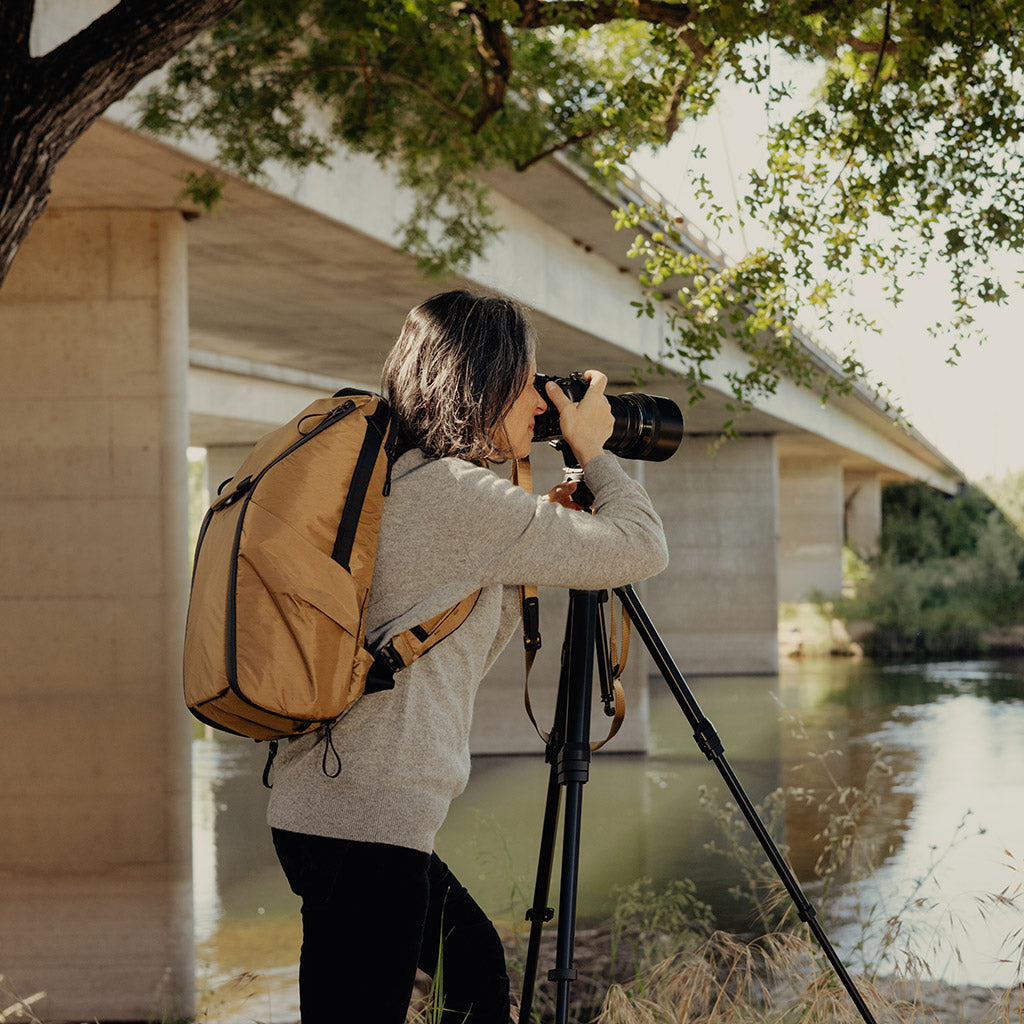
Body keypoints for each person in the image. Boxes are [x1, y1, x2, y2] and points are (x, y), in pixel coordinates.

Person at [266, 289, 669, 1022]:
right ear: (481, 383)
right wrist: (594, 451)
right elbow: (642, 548)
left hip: (327, 811)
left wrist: (549, 517)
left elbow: (447, 598)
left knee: (476, 972)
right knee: (449, 990)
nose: (541, 403)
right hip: (367, 823)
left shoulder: (408, 475)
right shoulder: (462, 497)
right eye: (527, 379)